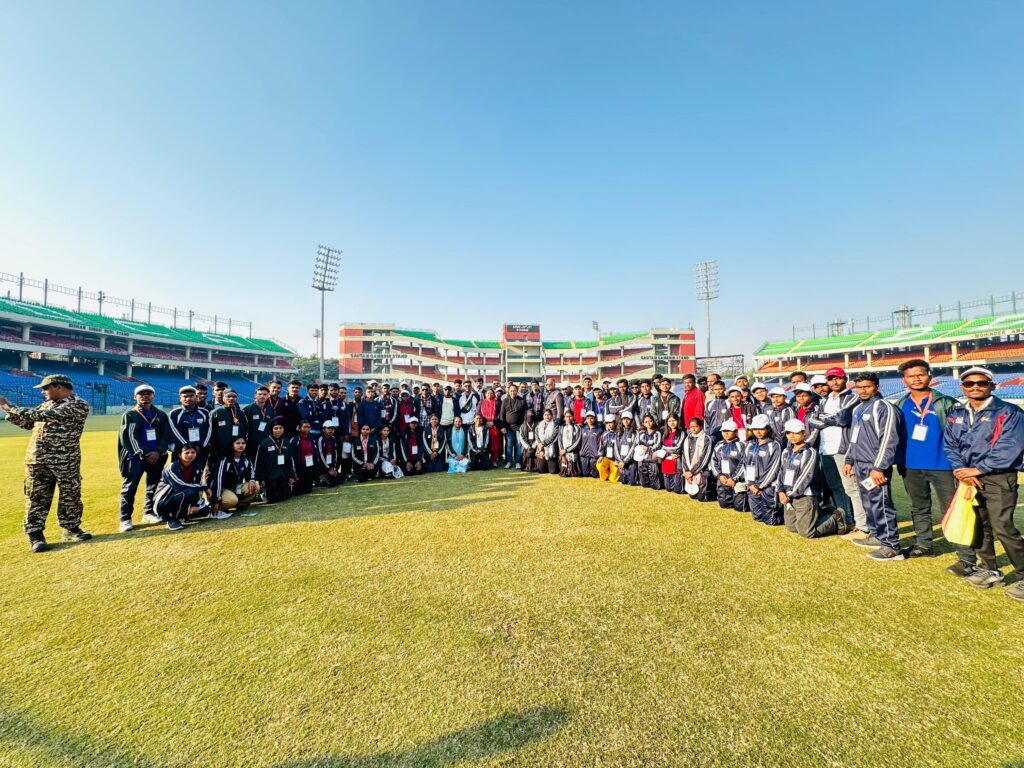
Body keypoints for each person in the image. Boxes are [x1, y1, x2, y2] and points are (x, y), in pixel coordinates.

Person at [943, 366, 1024, 601]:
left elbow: (1010, 447)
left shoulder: (1009, 412)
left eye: (981, 383)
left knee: (1003, 527)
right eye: (969, 384)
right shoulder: (956, 413)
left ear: (991, 385)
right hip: (968, 479)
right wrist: (963, 471)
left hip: (998, 477)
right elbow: (950, 445)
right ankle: (990, 569)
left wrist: (978, 469)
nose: (975, 387)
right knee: (979, 525)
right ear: (962, 387)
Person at [0, 373, 91, 552]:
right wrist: (8, 412)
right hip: (36, 459)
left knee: (70, 495)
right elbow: (28, 423)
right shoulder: (47, 404)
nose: (43, 392)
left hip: (65, 460)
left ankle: (70, 528)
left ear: (59, 387)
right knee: (36, 497)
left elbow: (43, 415)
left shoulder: (78, 404)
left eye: (45, 388)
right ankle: (35, 535)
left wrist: (8, 406)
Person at [893, 359, 962, 560]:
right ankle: (924, 545)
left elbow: (961, 435)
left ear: (929, 377)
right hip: (910, 465)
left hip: (943, 465)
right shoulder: (900, 405)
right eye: (911, 376)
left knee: (950, 508)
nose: (916, 379)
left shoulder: (946, 403)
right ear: (904, 380)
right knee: (919, 507)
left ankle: (964, 551)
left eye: (920, 374)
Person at [832, 372, 904, 561]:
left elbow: (889, 440)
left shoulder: (884, 407)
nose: (862, 391)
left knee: (881, 503)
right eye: (859, 387)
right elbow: (853, 439)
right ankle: (876, 535)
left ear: (877, 387)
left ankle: (892, 546)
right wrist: (849, 460)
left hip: (875, 466)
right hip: (861, 464)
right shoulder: (859, 409)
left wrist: (879, 467)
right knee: (869, 503)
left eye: (867, 387)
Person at [808, 367, 867, 536]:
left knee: (852, 488)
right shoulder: (824, 401)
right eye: (830, 379)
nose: (834, 382)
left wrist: (824, 418)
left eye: (838, 378)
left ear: (845, 379)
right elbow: (813, 420)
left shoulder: (851, 396)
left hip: (843, 449)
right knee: (836, 487)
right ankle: (847, 520)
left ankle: (863, 526)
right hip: (825, 449)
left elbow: (842, 418)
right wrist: (829, 419)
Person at [778, 419, 847, 539]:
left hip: (804, 496)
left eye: (795, 432)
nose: (792, 436)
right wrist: (780, 491)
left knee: (806, 532)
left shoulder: (809, 452)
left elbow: (806, 477)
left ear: (804, 433)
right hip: (788, 496)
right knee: (792, 527)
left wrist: (790, 494)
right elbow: (781, 472)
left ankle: (835, 517)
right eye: (789, 433)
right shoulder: (786, 452)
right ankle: (819, 512)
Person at [117, 384, 169, 532]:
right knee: (129, 487)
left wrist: (158, 452)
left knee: (153, 485)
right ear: (135, 397)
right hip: (135, 457)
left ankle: (148, 512)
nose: (145, 396)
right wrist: (145, 453)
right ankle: (125, 518)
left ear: (153, 396)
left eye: (148, 393)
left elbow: (165, 436)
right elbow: (129, 438)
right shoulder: (130, 415)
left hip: (157, 456)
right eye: (141, 394)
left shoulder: (161, 415)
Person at [153, 444, 209, 530]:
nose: (190, 455)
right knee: (189, 491)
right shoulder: (172, 467)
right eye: (186, 453)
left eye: (193, 452)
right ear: (179, 454)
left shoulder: (196, 467)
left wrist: (195, 504)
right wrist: (204, 487)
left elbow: (197, 484)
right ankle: (171, 519)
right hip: (163, 503)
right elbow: (180, 486)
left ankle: (182, 515)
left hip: (182, 498)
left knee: (205, 510)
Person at [743, 414, 783, 525]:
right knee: (757, 517)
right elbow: (745, 465)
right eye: (755, 429)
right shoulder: (750, 445)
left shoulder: (774, 445)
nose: (758, 432)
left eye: (761, 429)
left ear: (768, 429)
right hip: (752, 485)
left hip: (768, 487)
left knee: (770, 521)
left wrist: (759, 485)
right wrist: (750, 484)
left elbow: (773, 468)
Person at [210, 437, 259, 516]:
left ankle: (240, 504)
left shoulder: (246, 458)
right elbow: (218, 480)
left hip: (237, 487)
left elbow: (251, 473)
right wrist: (216, 500)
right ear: (232, 446)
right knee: (232, 500)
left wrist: (252, 480)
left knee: (255, 486)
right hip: (222, 489)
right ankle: (215, 506)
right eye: (238, 443)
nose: (241, 445)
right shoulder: (224, 459)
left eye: (243, 443)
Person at [209, 390, 248, 483]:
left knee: (234, 472)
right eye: (228, 396)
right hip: (219, 451)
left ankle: (234, 491)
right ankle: (212, 493)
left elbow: (246, 430)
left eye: (234, 396)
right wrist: (213, 448)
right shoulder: (215, 413)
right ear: (223, 398)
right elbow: (210, 432)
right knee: (214, 472)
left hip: (236, 451)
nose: (231, 398)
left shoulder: (241, 413)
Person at [168, 385, 212, 466]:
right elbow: (174, 432)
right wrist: (187, 446)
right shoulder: (174, 413)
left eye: (191, 396)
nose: (188, 399)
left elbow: (208, 431)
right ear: (180, 398)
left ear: (196, 397)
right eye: (185, 396)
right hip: (182, 450)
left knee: (198, 473)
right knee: (180, 474)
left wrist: (200, 445)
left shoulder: (204, 412)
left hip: (200, 450)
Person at [255, 419, 295, 503]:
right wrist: (261, 478)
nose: (278, 430)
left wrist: (291, 475)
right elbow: (259, 462)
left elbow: (290, 460)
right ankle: (263, 493)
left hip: (283, 475)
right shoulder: (264, 443)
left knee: (284, 498)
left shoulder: (287, 442)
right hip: (270, 477)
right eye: (276, 428)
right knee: (272, 500)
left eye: (280, 428)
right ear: (271, 430)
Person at [711, 420, 746, 511]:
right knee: (724, 505)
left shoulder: (741, 445)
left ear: (736, 432)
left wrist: (734, 478)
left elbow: (744, 463)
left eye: (729, 431)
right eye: (724, 431)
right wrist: (719, 475)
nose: (726, 433)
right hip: (723, 480)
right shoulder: (718, 445)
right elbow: (713, 461)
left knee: (739, 507)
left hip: (738, 481)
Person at [680, 417, 713, 501]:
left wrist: (692, 472)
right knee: (693, 496)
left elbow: (704, 458)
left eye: (696, 426)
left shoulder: (706, 439)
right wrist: (687, 472)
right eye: (691, 427)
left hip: (702, 470)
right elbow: (684, 456)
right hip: (690, 472)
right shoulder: (687, 439)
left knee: (701, 498)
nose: (693, 429)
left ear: (701, 426)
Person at [498, 382, 527, 469]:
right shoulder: (505, 401)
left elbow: (525, 415)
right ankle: (509, 462)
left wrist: (523, 426)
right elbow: (502, 414)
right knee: (509, 445)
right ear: (508, 391)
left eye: (514, 391)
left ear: (517, 391)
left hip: (519, 427)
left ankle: (518, 462)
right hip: (508, 427)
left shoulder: (522, 401)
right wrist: (502, 426)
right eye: (511, 391)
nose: (513, 392)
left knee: (518, 445)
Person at [243, 385, 274, 461]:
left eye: (264, 394)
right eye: (259, 394)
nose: (262, 396)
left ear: (268, 396)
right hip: (252, 443)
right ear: (255, 395)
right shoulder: (248, 409)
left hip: (266, 442)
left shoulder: (270, 409)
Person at [289, 420, 319, 494]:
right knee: (300, 491)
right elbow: (291, 457)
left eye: (308, 427)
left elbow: (316, 453)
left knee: (308, 489)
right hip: (300, 467)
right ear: (299, 428)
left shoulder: (312, 439)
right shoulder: (294, 440)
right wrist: (294, 472)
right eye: (304, 427)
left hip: (310, 465)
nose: (307, 429)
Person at [636, 413, 662, 489]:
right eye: (646, 422)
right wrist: (640, 447)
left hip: (652, 460)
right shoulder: (641, 433)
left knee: (654, 486)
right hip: (643, 459)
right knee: (644, 484)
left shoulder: (657, 433)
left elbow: (658, 445)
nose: (648, 423)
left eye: (650, 421)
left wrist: (648, 449)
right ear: (643, 423)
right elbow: (637, 444)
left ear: (653, 422)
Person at [660, 413, 684, 494]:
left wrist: (666, 450)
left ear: (678, 421)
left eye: (674, 420)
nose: (672, 423)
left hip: (676, 460)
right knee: (668, 489)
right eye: (669, 421)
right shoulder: (665, 433)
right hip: (666, 460)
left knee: (677, 490)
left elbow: (677, 448)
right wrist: (669, 454)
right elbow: (662, 447)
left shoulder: (681, 433)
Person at [613, 412, 640, 486]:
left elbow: (633, 448)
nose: (626, 421)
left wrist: (625, 461)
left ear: (631, 420)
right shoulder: (618, 432)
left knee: (632, 482)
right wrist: (619, 461)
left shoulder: (635, 433)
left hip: (631, 460)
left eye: (628, 419)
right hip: (621, 460)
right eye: (624, 419)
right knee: (623, 482)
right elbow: (616, 447)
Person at [316, 419, 343, 487]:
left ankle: (327, 478)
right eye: (328, 428)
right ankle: (321, 477)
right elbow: (320, 455)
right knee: (330, 484)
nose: (331, 430)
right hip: (322, 466)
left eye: (332, 428)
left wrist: (334, 468)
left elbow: (336, 453)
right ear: (323, 430)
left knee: (339, 481)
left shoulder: (333, 438)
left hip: (331, 465)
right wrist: (328, 468)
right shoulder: (320, 439)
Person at [478, 388, 501, 466]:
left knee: (494, 444)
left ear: (493, 394)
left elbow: (500, 414)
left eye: (491, 393)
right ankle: (485, 459)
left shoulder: (497, 403)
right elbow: (478, 413)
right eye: (488, 393)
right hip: (484, 426)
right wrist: (486, 422)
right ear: (485, 394)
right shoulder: (481, 402)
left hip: (494, 426)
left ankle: (494, 460)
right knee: (485, 443)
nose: (489, 395)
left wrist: (493, 422)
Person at [533, 409, 560, 474]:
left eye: (548, 415)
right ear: (543, 416)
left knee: (553, 471)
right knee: (540, 470)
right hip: (540, 449)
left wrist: (543, 443)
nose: (547, 416)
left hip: (551, 450)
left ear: (552, 416)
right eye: (545, 415)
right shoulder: (539, 425)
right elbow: (536, 435)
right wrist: (541, 447)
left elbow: (553, 437)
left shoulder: (555, 425)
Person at [579, 411, 603, 478]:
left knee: (595, 475)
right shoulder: (582, 429)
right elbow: (579, 442)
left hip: (594, 457)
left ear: (595, 419)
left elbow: (602, 444)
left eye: (591, 418)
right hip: (584, 456)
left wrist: (600, 455)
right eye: (588, 418)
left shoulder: (599, 430)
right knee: (585, 474)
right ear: (586, 419)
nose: (590, 420)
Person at [558, 411, 582, 477]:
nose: (568, 418)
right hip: (563, 453)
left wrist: (567, 450)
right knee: (564, 473)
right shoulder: (561, 428)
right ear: (564, 418)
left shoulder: (577, 428)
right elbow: (559, 441)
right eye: (566, 416)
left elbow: (577, 441)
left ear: (573, 417)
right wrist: (562, 453)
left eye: (570, 416)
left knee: (573, 473)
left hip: (573, 453)